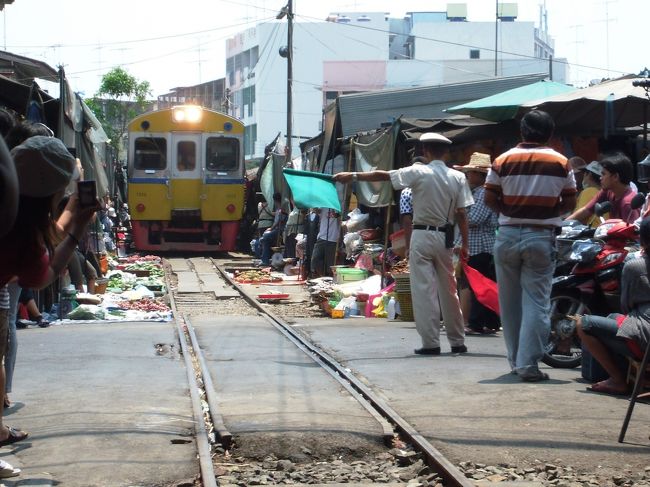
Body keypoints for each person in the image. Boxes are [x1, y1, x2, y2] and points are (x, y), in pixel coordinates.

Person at [334, 132, 473, 355]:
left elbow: (384, 175)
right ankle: (457, 341)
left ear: (425, 152)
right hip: (445, 237)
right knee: (449, 289)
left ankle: (431, 343)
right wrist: (465, 244)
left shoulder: (418, 171)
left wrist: (352, 176)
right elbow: (462, 214)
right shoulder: (457, 177)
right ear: (445, 152)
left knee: (424, 289)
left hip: (421, 235)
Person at [0, 136, 99, 446]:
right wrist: (77, 231)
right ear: (53, 193)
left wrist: (71, 212)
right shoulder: (22, 237)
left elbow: (46, 231)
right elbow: (43, 275)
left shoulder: (11, 211)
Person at [484, 110, 577, 382]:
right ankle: (527, 364)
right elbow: (570, 202)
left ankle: (515, 362)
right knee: (536, 302)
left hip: (507, 235)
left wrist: (508, 212)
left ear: (522, 132)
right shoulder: (561, 162)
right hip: (541, 236)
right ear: (550, 133)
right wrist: (548, 213)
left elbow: (489, 197)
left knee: (510, 303)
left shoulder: (502, 160)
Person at [576, 217, 650, 395]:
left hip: (645, 339)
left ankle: (618, 380)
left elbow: (627, 306)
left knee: (583, 324)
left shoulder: (635, 266)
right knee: (612, 318)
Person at [452, 152, 500, 335]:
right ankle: (485, 322)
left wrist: (458, 215)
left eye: (471, 173)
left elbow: (474, 219)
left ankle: (477, 322)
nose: (468, 176)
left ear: (480, 175)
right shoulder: (476, 193)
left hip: (480, 247)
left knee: (477, 287)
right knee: (476, 285)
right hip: (474, 246)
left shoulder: (482, 194)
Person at [565, 153, 640, 224]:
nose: (600, 177)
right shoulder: (608, 191)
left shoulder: (627, 203)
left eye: (603, 174)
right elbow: (586, 210)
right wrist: (562, 225)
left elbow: (633, 232)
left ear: (615, 177)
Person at [310, 208, 341, 277]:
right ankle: (317, 276)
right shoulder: (323, 207)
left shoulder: (338, 207)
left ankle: (328, 278)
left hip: (333, 238)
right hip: (322, 236)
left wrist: (336, 213)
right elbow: (317, 210)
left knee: (330, 264)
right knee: (315, 259)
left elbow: (338, 215)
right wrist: (314, 208)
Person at [572, 161, 604, 227]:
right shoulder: (604, 193)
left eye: (584, 173)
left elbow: (580, 219)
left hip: (591, 234)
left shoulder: (589, 191)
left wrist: (562, 224)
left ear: (589, 174)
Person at [258, 193, 287, 266]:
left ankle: (265, 260)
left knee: (265, 238)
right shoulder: (278, 209)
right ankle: (265, 259)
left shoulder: (281, 209)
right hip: (276, 229)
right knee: (264, 239)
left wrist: (271, 228)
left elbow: (278, 222)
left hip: (279, 230)